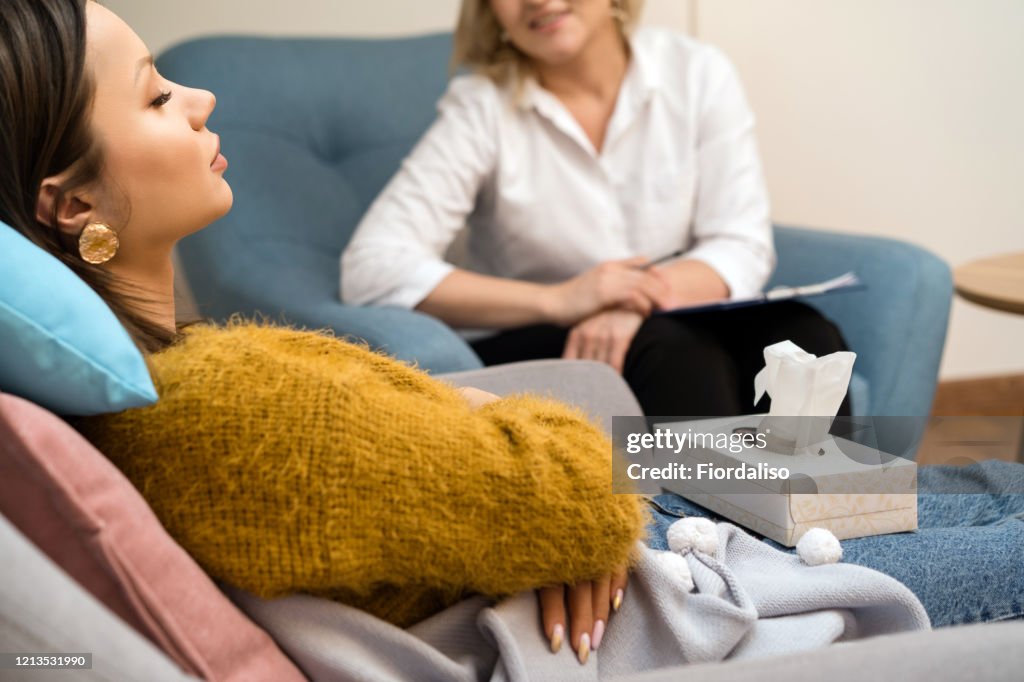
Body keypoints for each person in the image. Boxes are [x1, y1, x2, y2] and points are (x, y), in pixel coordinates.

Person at [1, 3, 1018, 674]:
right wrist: (568, 319)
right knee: (683, 365)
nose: (200, 98)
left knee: (886, 423)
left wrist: (626, 315)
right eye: (154, 94)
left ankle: (864, 504)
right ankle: (842, 516)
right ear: (72, 199)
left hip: (633, 476)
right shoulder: (230, 403)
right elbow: (569, 502)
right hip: (658, 532)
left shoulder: (690, 74)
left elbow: (738, 240)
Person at [341, 0, 853, 418]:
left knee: (804, 340)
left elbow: (739, 240)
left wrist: (630, 301)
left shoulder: (696, 72)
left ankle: (835, 530)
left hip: (671, 310)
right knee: (674, 352)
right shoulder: (481, 108)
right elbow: (373, 266)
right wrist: (563, 300)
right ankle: (697, 543)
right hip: (539, 334)